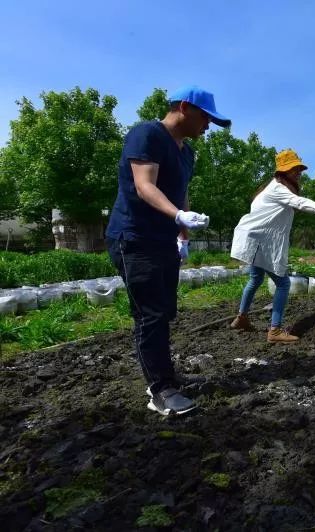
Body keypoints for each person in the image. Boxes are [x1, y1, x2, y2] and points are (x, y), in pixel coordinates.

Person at [106, 85, 230, 416]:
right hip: (135, 237)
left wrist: (184, 234)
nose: (208, 126)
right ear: (185, 108)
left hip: (164, 240)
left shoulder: (187, 152)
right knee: (150, 314)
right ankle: (159, 389)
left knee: (165, 310)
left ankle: (164, 374)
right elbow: (144, 185)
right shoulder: (147, 134)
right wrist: (175, 215)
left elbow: (181, 193)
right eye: (206, 118)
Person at [229, 149, 315, 342]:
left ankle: (241, 318)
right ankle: (275, 331)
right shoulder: (278, 189)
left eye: (299, 169)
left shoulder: (269, 189)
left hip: (254, 240)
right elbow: (300, 202)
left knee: (255, 279)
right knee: (283, 284)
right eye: (294, 170)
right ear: (283, 172)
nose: (298, 173)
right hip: (261, 243)